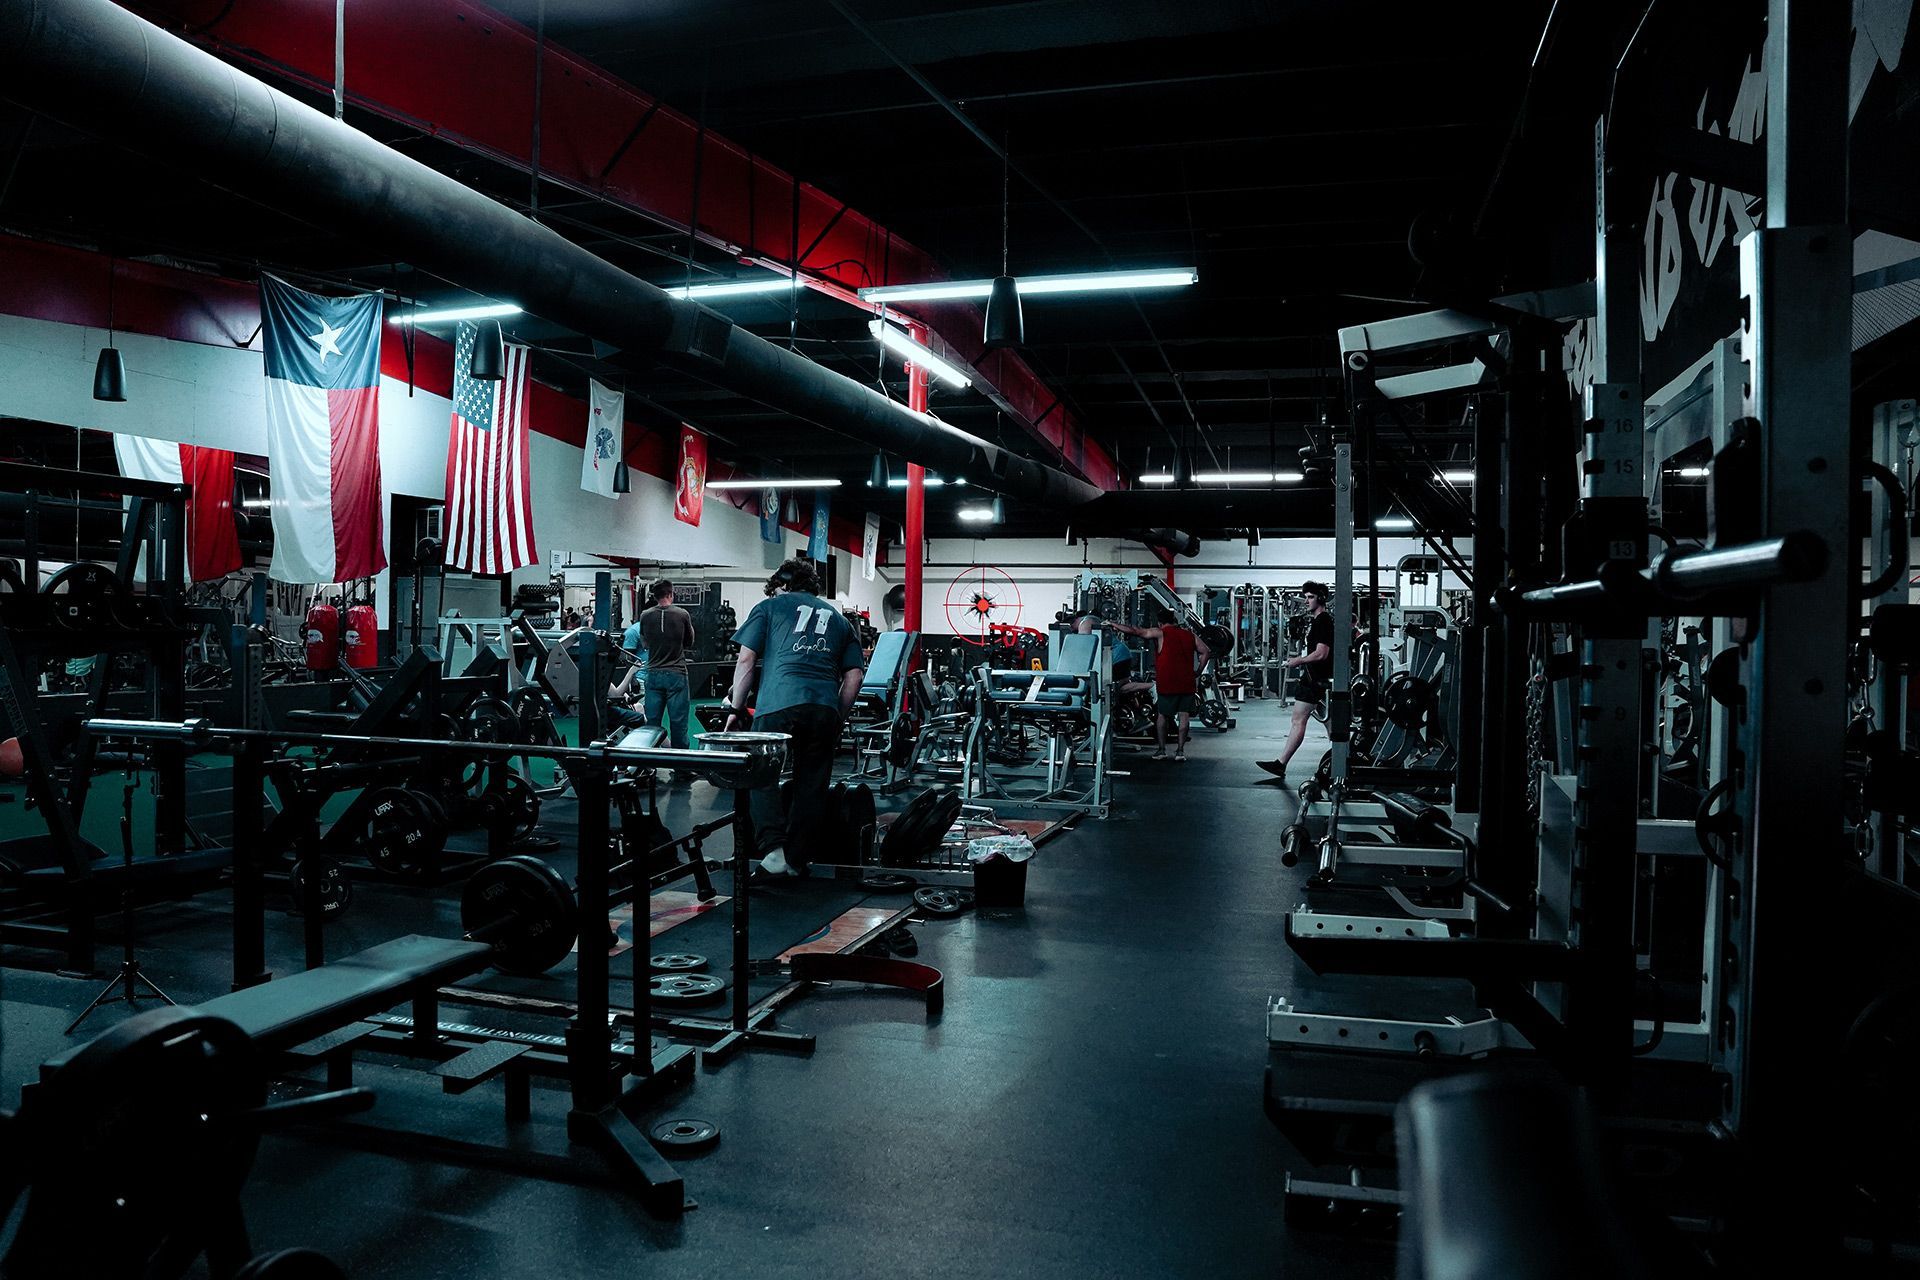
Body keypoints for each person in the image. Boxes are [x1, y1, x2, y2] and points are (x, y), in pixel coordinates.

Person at [724, 558, 867, 877]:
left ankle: (774, 850)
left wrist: (736, 708)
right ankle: (796, 858)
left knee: (761, 774)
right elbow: (855, 676)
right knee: (812, 784)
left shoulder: (770, 607)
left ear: (784, 585)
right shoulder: (840, 620)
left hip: (778, 702)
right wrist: (838, 718)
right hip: (823, 709)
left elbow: (747, 660)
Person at [1258, 581, 1335, 781]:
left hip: (1314, 680)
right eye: (1306, 597)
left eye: (1310, 597)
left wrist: (1297, 661)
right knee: (1331, 724)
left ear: (1321, 599)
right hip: (1317, 679)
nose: (1307, 601)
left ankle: (1281, 764)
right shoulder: (1319, 621)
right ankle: (1342, 759)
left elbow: (1321, 654)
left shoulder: (1323, 621)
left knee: (1298, 720)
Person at [1113, 608, 1211, 762]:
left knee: (1162, 716)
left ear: (1160, 622)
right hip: (1187, 681)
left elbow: (1136, 631)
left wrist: (1114, 624)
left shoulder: (1160, 633)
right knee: (1184, 716)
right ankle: (1180, 752)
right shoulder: (1190, 635)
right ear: (1173, 620)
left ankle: (1162, 750)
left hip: (1167, 681)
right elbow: (1206, 651)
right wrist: (1198, 671)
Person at [637, 578, 695, 757]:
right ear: (671, 594)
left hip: (653, 674)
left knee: (652, 724)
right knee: (679, 723)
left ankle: (649, 766)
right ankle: (681, 766)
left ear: (654, 596)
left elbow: (644, 643)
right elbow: (689, 642)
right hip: (676, 674)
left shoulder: (645, 615)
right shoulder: (682, 614)